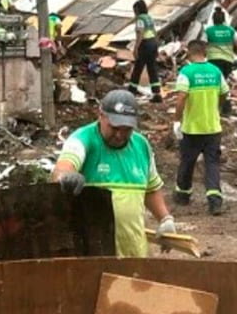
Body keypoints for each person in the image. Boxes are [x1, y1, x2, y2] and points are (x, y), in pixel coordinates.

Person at [52, 89, 176, 257]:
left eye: (127, 129)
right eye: (115, 128)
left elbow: (151, 188)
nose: (119, 135)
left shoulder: (141, 145)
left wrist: (165, 219)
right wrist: (66, 176)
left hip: (134, 253)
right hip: (95, 254)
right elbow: (63, 166)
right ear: (101, 115)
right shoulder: (83, 139)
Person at [172, 40, 230, 215]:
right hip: (213, 127)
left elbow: (181, 97)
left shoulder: (186, 72)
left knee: (187, 161)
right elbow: (225, 92)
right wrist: (217, 107)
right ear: (205, 53)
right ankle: (215, 200)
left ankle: (183, 195)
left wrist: (177, 120)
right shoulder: (215, 71)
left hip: (192, 128)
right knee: (212, 163)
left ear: (189, 53)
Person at [204, 6, 237, 113]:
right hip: (227, 61)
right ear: (224, 20)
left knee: (215, 83)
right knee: (223, 82)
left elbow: (203, 44)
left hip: (213, 61)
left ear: (213, 20)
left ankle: (218, 106)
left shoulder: (209, 31)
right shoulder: (230, 30)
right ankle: (225, 107)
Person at [128, 0, 162, 103]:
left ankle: (131, 92)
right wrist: (157, 46)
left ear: (137, 10)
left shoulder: (140, 19)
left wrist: (136, 48)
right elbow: (155, 32)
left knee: (138, 68)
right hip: (153, 43)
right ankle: (157, 93)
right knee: (152, 69)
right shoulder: (149, 18)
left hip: (145, 44)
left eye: (135, 10)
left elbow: (140, 34)